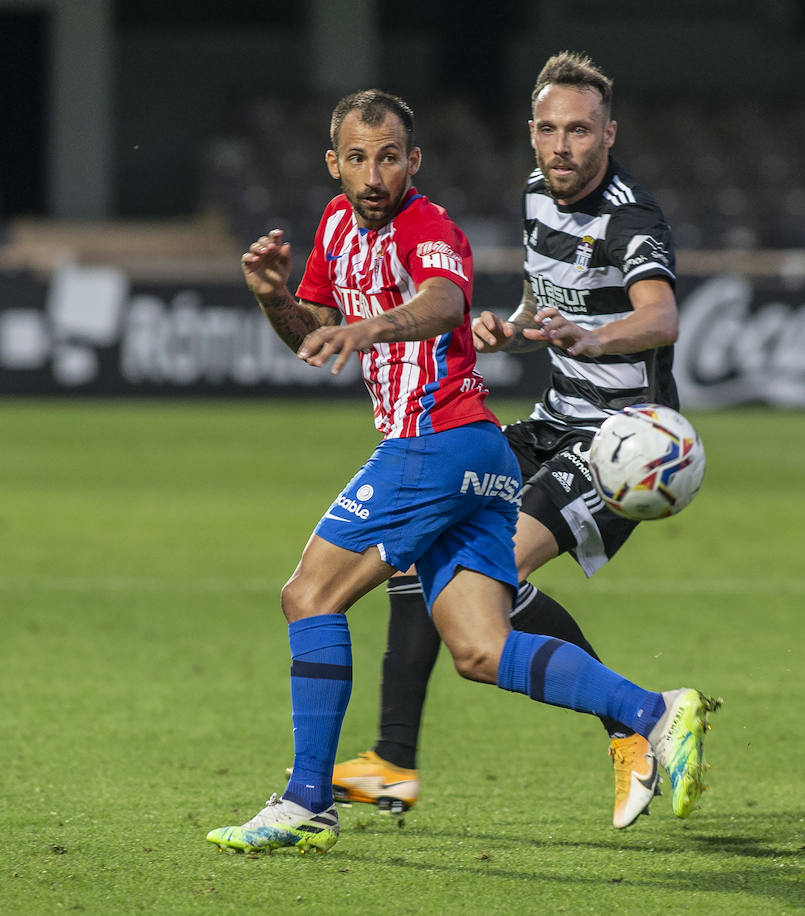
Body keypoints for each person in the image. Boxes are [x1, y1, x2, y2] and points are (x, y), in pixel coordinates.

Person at [206, 89, 717, 855]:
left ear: (413, 161)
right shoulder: (337, 228)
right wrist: (275, 296)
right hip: (479, 453)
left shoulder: (427, 225)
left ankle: (310, 798)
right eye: (357, 158)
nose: (373, 174)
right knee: (478, 649)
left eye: (388, 157)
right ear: (332, 163)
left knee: (310, 596)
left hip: (433, 444)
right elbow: (312, 336)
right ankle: (651, 712)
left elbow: (445, 303)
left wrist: (375, 325)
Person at [327, 51, 685, 831]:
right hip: (555, 418)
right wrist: (512, 331)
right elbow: (540, 305)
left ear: (608, 134)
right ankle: (392, 760)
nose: (562, 146)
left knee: (492, 570)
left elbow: (660, 318)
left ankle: (638, 723)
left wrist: (591, 337)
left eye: (580, 131)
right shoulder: (534, 194)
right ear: (531, 133)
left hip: (624, 445)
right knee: (422, 542)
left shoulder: (632, 218)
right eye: (550, 130)